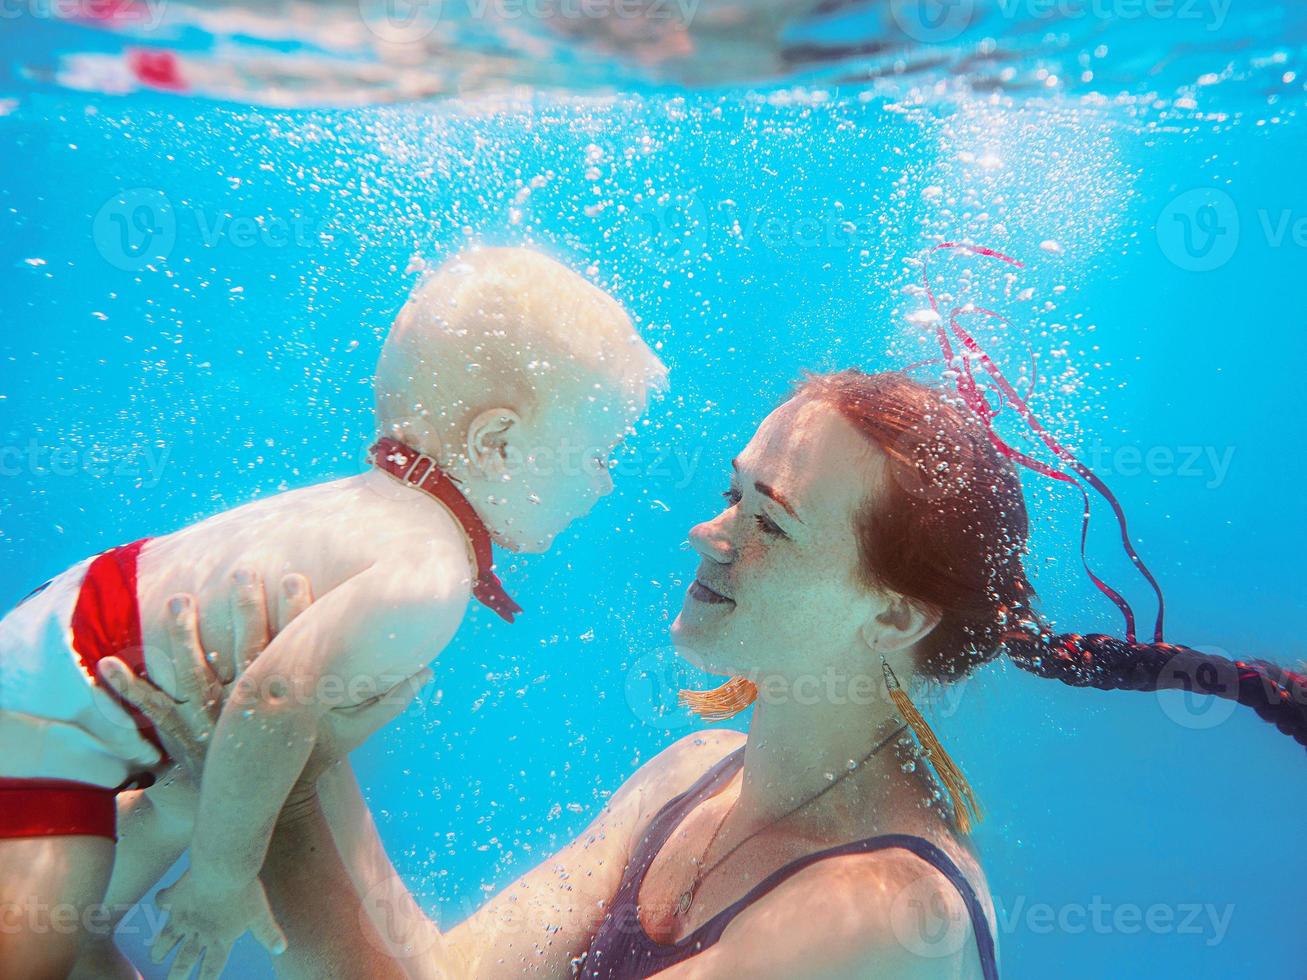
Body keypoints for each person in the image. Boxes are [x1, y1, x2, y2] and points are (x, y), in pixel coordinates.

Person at [112, 369, 1307, 979]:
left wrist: (280, 737)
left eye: (768, 520)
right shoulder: (690, 774)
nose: (704, 532)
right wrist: (280, 715)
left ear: (891, 612)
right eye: (729, 492)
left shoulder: (888, 917)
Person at [0, 246, 668, 979]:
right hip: (60, 713)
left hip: (66, 659)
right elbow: (270, 700)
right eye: (601, 453)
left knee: (81, 940)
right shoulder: (429, 572)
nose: (605, 484)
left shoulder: (368, 509)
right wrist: (222, 881)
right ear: (497, 444)